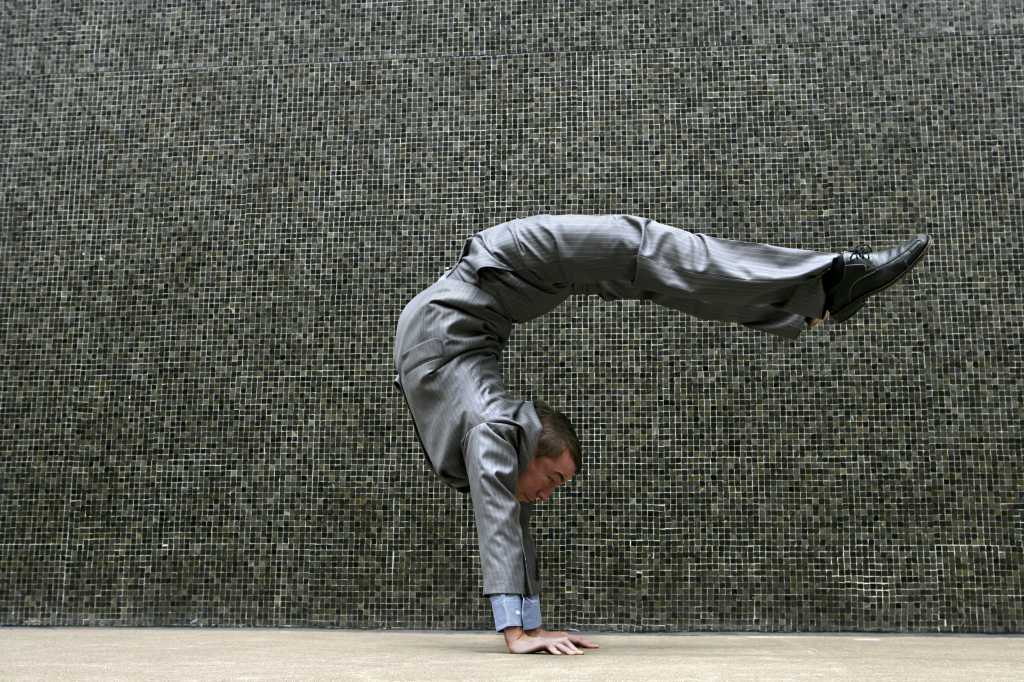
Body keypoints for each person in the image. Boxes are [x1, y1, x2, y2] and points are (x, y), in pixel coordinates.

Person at [392, 214, 930, 655]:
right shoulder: (501, 432)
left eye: (552, 479)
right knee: (648, 266)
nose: (546, 493)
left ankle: (829, 283)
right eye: (553, 481)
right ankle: (820, 296)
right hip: (485, 289)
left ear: (529, 447)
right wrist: (526, 629)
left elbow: (500, 520)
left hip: (505, 262)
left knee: (647, 252)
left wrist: (517, 634)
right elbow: (508, 518)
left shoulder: (495, 430)